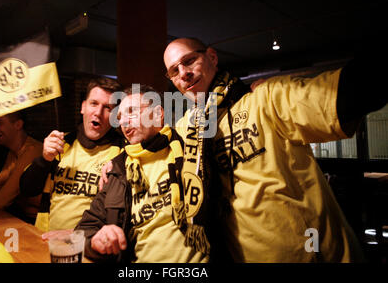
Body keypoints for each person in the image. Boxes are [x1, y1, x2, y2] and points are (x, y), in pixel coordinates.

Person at [163, 37, 387, 262]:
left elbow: (355, 91)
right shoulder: (187, 129)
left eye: (190, 61)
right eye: (174, 71)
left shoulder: (265, 98)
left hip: (312, 254)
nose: (183, 73)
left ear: (211, 57)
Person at [75, 85, 209, 263]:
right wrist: (95, 241)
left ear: (158, 114)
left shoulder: (190, 149)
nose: (123, 122)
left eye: (132, 112)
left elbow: (214, 110)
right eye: (120, 117)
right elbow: (85, 229)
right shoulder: (117, 171)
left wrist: (252, 88)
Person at [20, 77, 123, 233]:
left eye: (107, 107)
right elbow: (27, 189)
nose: (98, 112)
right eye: (93, 103)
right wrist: (44, 159)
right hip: (46, 239)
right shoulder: (61, 143)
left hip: (89, 246)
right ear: (83, 107)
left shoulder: (122, 152)